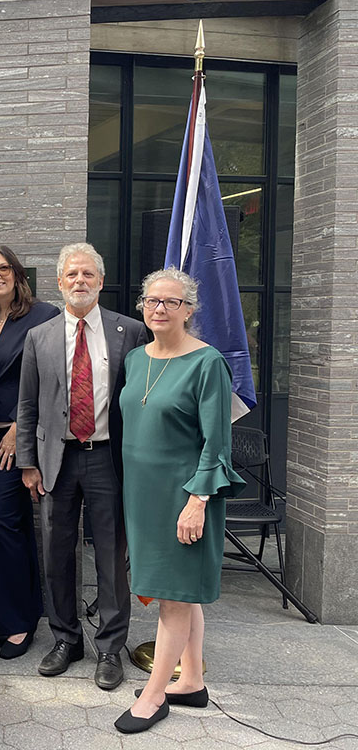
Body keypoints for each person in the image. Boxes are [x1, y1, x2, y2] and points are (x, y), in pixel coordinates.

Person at [114, 268, 245, 734]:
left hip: (184, 495)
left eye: (171, 302)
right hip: (142, 496)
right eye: (152, 301)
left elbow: (218, 442)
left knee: (172, 594)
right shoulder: (134, 360)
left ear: (189, 309)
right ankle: (189, 680)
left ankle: (154, 696)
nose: (160, 309)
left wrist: (199, 500)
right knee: (181, 591)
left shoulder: (208, 362)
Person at [15, 242, 148, 691]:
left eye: (88, 274)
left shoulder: (130, 332)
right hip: (58, 459)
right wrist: (28, 463)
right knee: (57, 552)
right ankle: (67, 639)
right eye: (72, 274)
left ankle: (110, 647)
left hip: (110, 457)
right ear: (59, 281)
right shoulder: (40, 336)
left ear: (101, 281)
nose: (80, 281)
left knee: (111, 554)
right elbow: (27, 405)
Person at [0, 247, 61, 659]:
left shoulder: (45, 317)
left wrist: (19, 431)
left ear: (18, 273)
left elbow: (51, 381)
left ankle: (20, 622)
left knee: (0, 519)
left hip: (15, 436)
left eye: (3, 268)